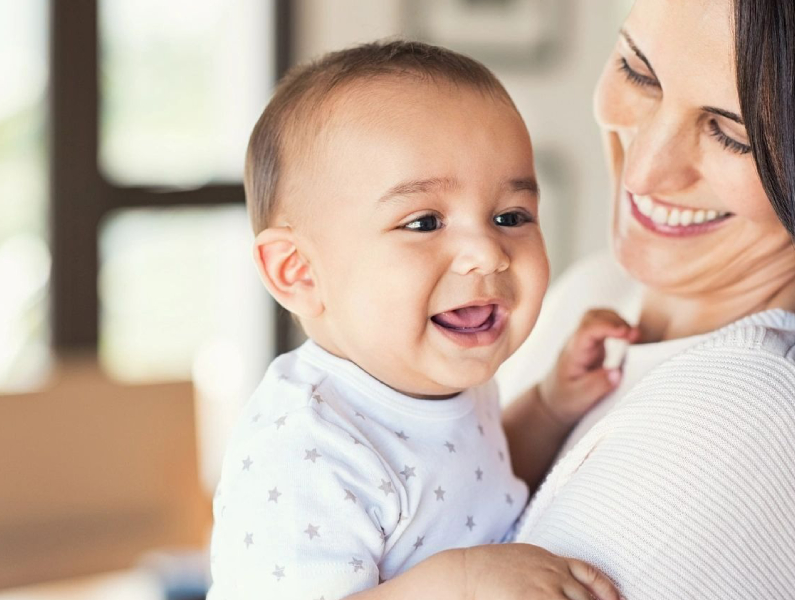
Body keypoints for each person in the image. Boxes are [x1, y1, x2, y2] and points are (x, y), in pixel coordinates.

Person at [207, 41, 627, 600]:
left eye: (511, 216)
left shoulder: (444, 381)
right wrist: (461, 584)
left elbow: (473, 483)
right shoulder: (305, 446)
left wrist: (551, 405)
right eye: (425, 222)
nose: (488, 252)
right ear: (299, 272)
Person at [496, 0, 795, 597]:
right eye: (639, 72)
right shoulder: (596, 290)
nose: (643, 174)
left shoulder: (745, 420)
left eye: (732, 133)